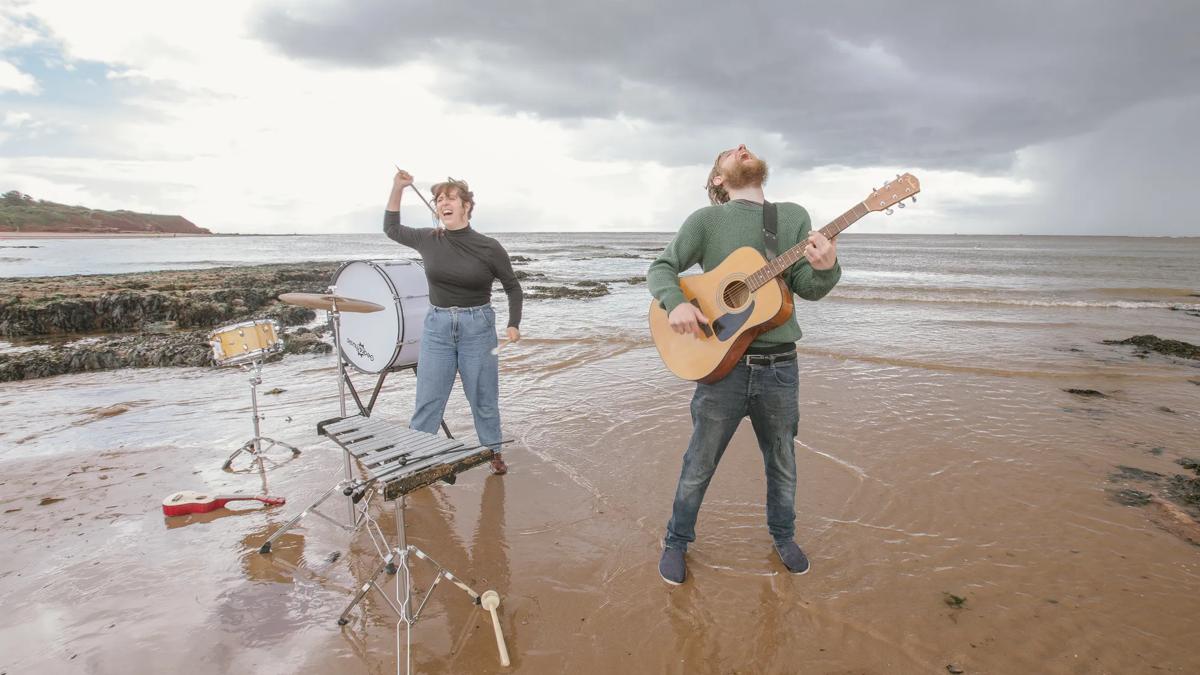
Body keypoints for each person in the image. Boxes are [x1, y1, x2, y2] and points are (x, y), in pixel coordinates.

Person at [647, 145, 841, 584]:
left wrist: (827, 267)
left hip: (779, 367)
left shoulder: (790, 217)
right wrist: (676, 302)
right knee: (699, 462)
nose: (741, 148)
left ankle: (783, 537)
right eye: (728, 154)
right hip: (722, 370)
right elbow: (661, 267)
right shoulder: (705, 221)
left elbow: (806, 288)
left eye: (745, 147)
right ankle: (677, 541)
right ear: (718, 179)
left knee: (782, 461)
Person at [384, 169, 522, 474]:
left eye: (450, 198)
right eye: (438, 199)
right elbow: (391, 228)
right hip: (437, 327)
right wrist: (398, 188)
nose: (442, 203)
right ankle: (416, 460)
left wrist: (514, 323)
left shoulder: (489, 247)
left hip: (478, 326)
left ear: (466, 205)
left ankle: (493, 450)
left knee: (483, 397)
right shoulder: (427, 239)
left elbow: (512, 286)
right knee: (428, 398)